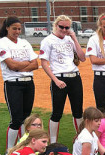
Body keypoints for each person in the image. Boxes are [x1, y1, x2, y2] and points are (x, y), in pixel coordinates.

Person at [40, 15, 86, 143]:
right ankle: (53, 142)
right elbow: (44, 63)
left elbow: (82, 58)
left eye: (67, 27)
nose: (64, 30)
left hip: (75, 77)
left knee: (78, 111)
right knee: (57, 113)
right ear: (55, 25)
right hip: (59, 78)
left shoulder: (70, 40)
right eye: (61, 27)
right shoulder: (48, 40)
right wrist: (55, 80)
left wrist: (75, 39)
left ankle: (81, 139)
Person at [0, 16, 38, 151]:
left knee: (26, 119)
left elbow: (35, 64)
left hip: (28, 83)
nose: (17, 31)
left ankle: (22, 147)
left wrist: (19, 66)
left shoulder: (24, 42)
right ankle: (9, 151)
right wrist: (26, 64)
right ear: (7, 28)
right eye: (14, 28)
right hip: (13, 84)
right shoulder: (2, 43)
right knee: (16, 119)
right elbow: (11, 65)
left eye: (19, 29)